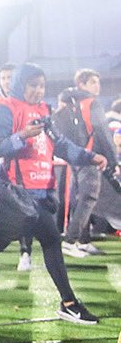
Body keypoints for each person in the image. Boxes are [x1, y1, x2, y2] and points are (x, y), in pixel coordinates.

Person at [0, 63, 106, 322]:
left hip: (41, 191)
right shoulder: (4, 108)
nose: (38, 91)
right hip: (16, 192)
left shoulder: (44, 110)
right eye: (33, 85)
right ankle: (69, 302)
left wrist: (90, 157)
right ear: (21, 85)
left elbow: (60, 145)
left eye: (42, 86)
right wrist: (21, 135)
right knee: (52, 240)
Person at [60, 69, 116, 257]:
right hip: (92, 157)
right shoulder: (92, 104)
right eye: (92, 82)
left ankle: (83, 241)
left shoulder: (69, 103)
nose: (97, 86)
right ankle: (71, 240)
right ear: (81, 84)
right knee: (88, 199)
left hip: (75, 158)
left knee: (80, 199)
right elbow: (102, 133)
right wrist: (113, 159)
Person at [0, 63, 33, 271]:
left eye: (10, 77)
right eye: (3, 78)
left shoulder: (27, 102)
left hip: (21, 165)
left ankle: (25, 253)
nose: (7, 82)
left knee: (25, 210)